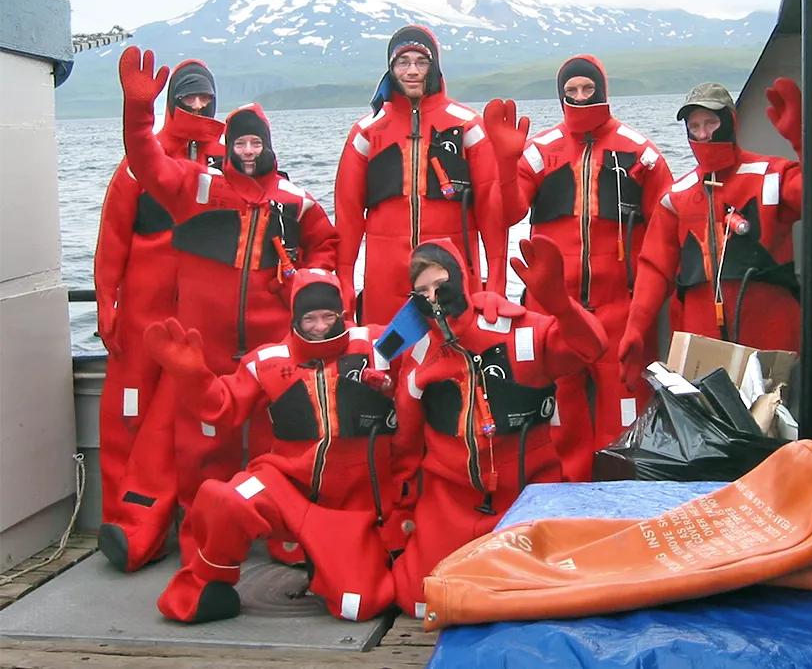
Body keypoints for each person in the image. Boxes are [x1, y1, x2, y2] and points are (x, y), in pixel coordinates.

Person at [103, 47, 338, 573]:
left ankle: (283, 528)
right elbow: (144, 161)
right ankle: (195, 533)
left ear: (270, 146)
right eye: (241, 143)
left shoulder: (295, 201)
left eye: (257, 142)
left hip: (269, 346)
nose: (249, 151)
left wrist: (305, 282)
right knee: (198, 446)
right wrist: (139, 112)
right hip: (204, 345)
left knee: (282, 438)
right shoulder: (197, 188)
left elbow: (330, 246)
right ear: (226, 147)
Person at [137, 270, 412, 624]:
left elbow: (435, 335)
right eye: (309, 318)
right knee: (228, 499)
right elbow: (221, 407)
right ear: (295, 319)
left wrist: (481, 308)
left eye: (329, 316)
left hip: (354, 506)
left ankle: (346, 564)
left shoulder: (377, 345)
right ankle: (206, 584)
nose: (320, 326)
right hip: (285, 488)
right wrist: (192, 375)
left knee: (358, 605)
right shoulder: (266, 361)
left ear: (343, 314)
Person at [387, 236, 604, 618]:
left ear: (462, 280)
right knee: (421, 603)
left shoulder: (523, 333)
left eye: (442, 284)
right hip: (450, 498)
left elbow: (591, 347)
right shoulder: (417, 351)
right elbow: (405, 436)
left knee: (538, 598)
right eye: (422, 291)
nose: (434, 297)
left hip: (525, 495)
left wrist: (560, 304)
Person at [482, 55, 675, 483]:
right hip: (552, 311)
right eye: (572, 92)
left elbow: (666, 239)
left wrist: (645, 320)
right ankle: (566, 498)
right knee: (560, 414)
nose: (580, 98)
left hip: (619, 308)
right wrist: (503, 163)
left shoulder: (639, 153)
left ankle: (625, 496)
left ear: (603, 91)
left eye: (588, 90)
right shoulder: (540, 152)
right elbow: (507, 214)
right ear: (561, 95)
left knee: (626, 412)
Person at [616, 79, 812, 360]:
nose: (703, 134)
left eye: (711, 122)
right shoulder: (676, 197)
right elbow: (654, 268)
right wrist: (636, 328)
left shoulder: (772, 175)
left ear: (730, 121)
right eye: (694, 126)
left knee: (774, 403)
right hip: (700, 338)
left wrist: (803, 140)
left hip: (771, 331)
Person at [92, 57, 223, 544]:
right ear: (170, 102)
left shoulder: (227, 160)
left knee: (194, 424)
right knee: (127, 416)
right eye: (187, 97)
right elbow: (112, 239)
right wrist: (107, 301)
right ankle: (116, 521)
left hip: (199, 320)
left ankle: (191, 522)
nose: (196, 105)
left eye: (204, 98)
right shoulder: (136, 165)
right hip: (142, 318)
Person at [334, 24, 505, 325]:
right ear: (391, 69)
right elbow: (347, 215)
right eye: (403, 62)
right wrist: (344, 280)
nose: (412, 70)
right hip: (385, 282)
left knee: (457, 364)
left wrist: (497, 284)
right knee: (385, 365)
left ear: (434, 66)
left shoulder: (468, 126)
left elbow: (491, 209)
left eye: (421, 62)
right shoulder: (367, 132)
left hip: (453, 276)